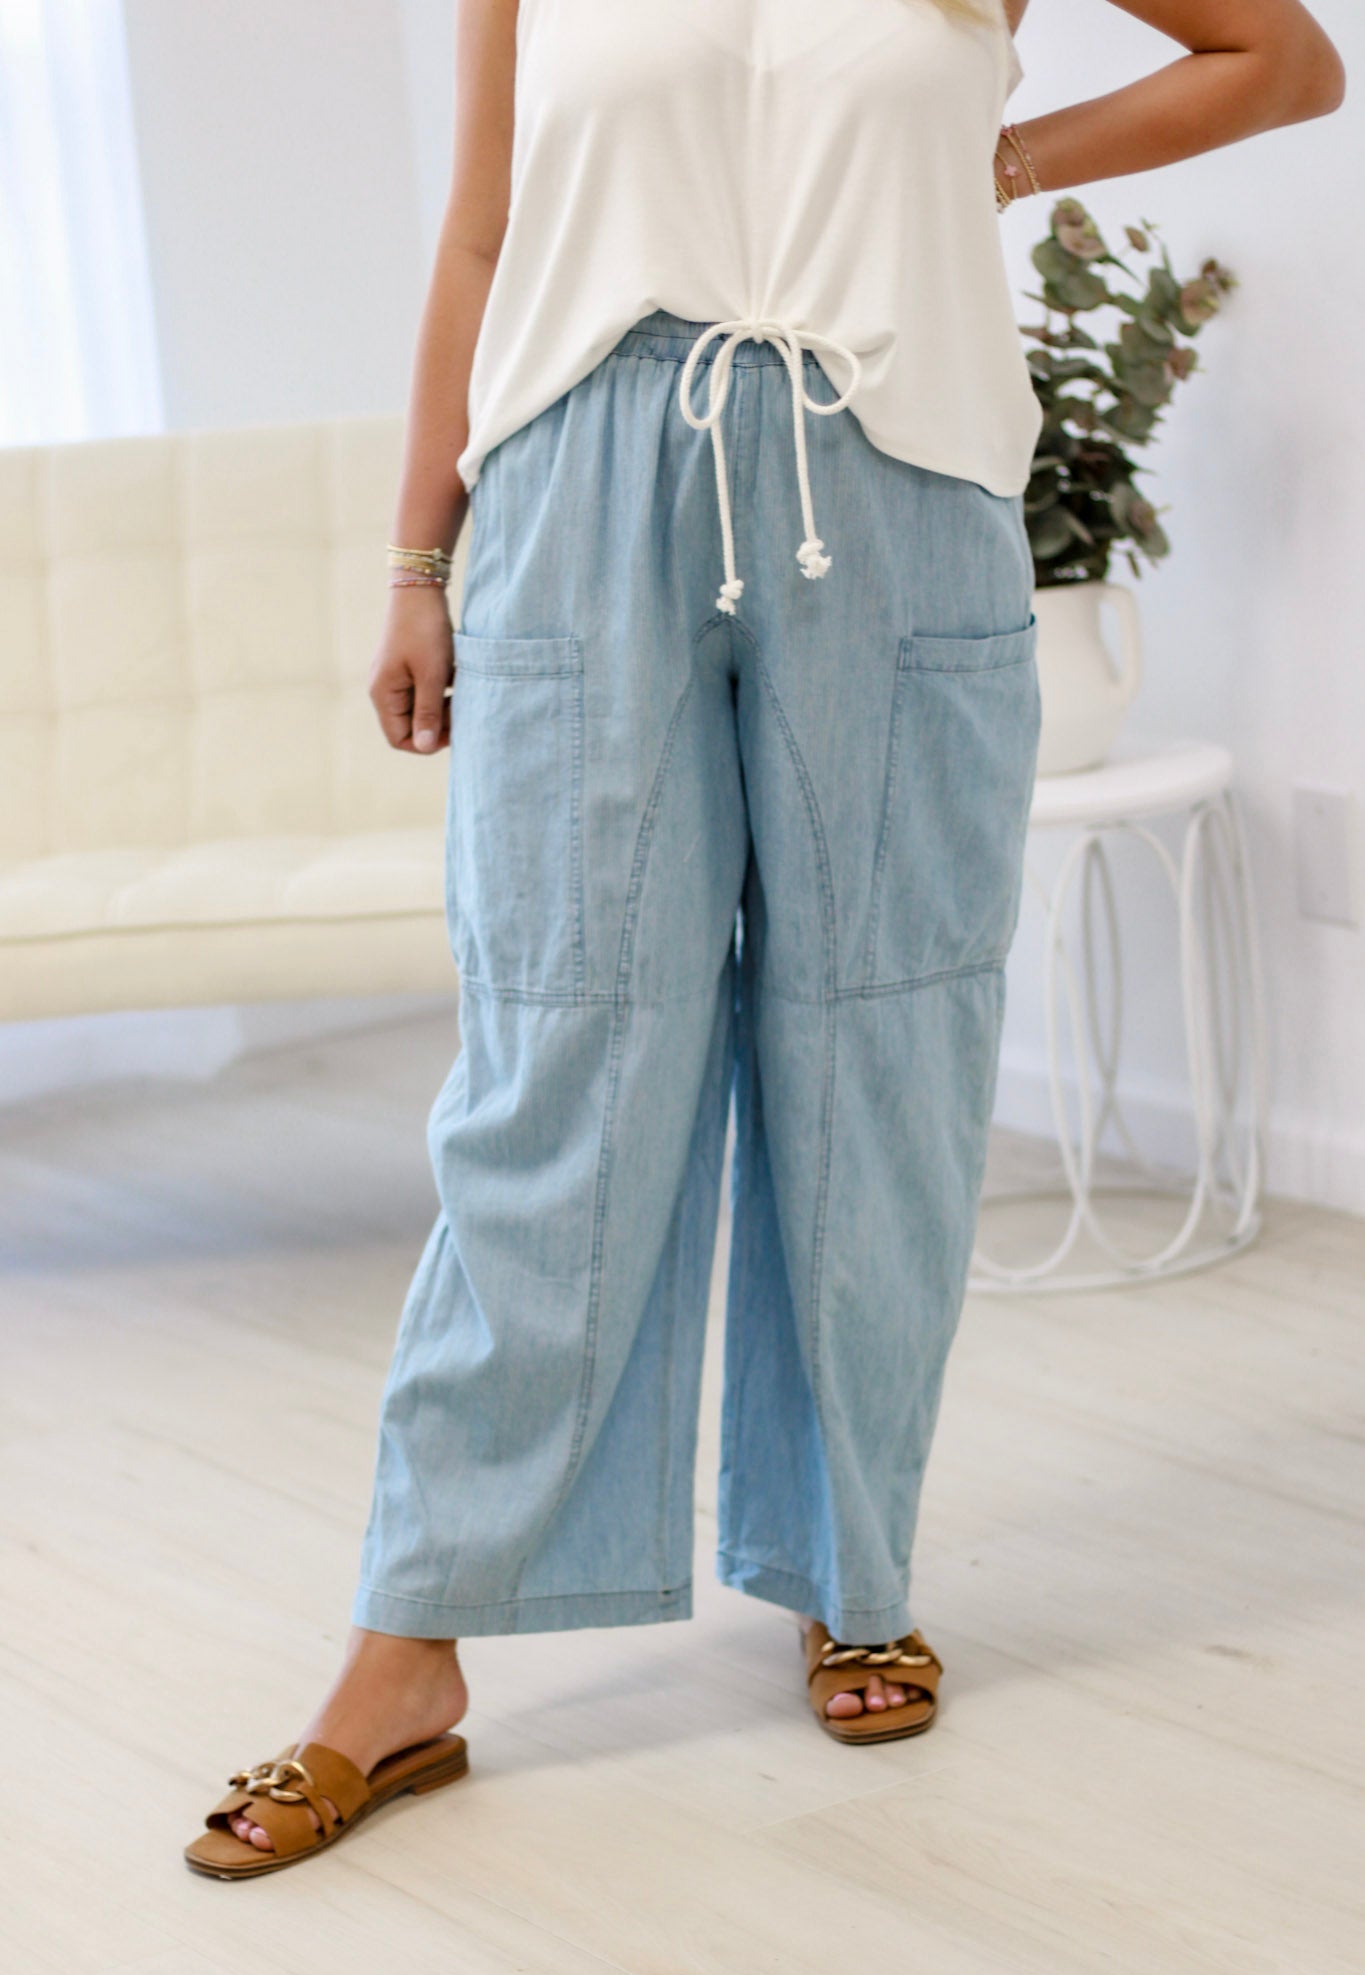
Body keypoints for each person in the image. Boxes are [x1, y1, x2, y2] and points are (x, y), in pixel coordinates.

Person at [185, 0, 1343, 1877]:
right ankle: (408, 1644)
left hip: (894, 486)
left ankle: (846, 1570)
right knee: (558, 1061)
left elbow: (1282, 60)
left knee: (881, 1050)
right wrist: (417, 560)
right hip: (575, 501)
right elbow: (479, 233)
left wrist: (999, 162)